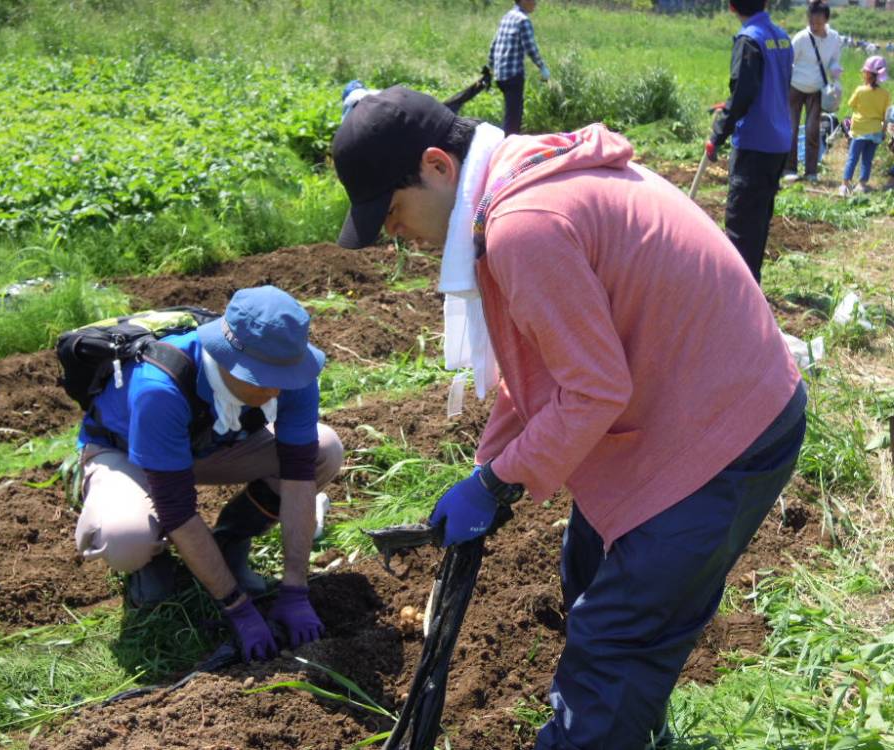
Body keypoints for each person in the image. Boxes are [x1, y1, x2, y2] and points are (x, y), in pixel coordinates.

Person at [330, 85, 806, 750]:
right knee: (587, 565)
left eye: (394, 212)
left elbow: (591, 391)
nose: (395, 235)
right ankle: (637, 733)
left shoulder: (525, 224)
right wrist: (488, 471)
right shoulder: (516, 178)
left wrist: (497, 484)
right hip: (681, 396)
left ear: (437, 166)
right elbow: (541, 367)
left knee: (616, 639)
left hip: (726, 428)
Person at [73, 286, 344, 661]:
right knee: (125, 538)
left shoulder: (287, 373)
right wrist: (238, 607)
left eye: (282, 378)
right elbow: (177, 508)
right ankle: (151, 562)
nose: (275, 389)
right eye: (262, 378)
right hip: (127, 452)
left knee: (324, 450)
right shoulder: (160, 387)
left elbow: (298, 474)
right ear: (226, 356)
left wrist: (295, 588)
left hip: (209, 445)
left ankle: (230, 540)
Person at [706, 0, 793, 284]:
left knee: (741, 224)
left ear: (731, 6)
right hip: (778, 141)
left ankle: (737, 295)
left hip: (755, 143)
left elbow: (744, 94)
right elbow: (769, 85)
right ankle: (752, 284)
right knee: (758, 219)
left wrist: (717, 134)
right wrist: (731, 104)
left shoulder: (749, 39)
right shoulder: (780, 37)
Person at [784, 0, 843, 183]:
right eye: (811, 22)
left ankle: (811, 171)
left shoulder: (834, 38)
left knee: (812, 131)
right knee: (791, 129)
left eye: (818, 23)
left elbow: (834, 60)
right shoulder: (801, 38)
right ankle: (789, 169)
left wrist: (835, 70)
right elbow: (788, 61)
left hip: (817, 90)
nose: (814, 26)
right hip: (795, 87)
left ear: (826, 20)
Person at [487, 0, 550, 135]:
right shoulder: (523, 21)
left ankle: (506, 142)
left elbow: (494, 43)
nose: (535, 3)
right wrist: (542, 67)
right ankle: (508, 148)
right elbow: (531, 49)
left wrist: (490, 66)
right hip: (513, 75)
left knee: (510, 113)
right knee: (513, 118)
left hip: (500, 75)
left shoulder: (507, 16)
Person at [839, 56, 890, 196]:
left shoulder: (860, 90)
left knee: (853, 157)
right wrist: (883, 131)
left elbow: (851, 104)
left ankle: (846, 185)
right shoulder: (885, 94)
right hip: (875, 132)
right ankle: (862, 184)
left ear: (867, 74)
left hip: (860, 130)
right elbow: (885, 115)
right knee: (867, 160)